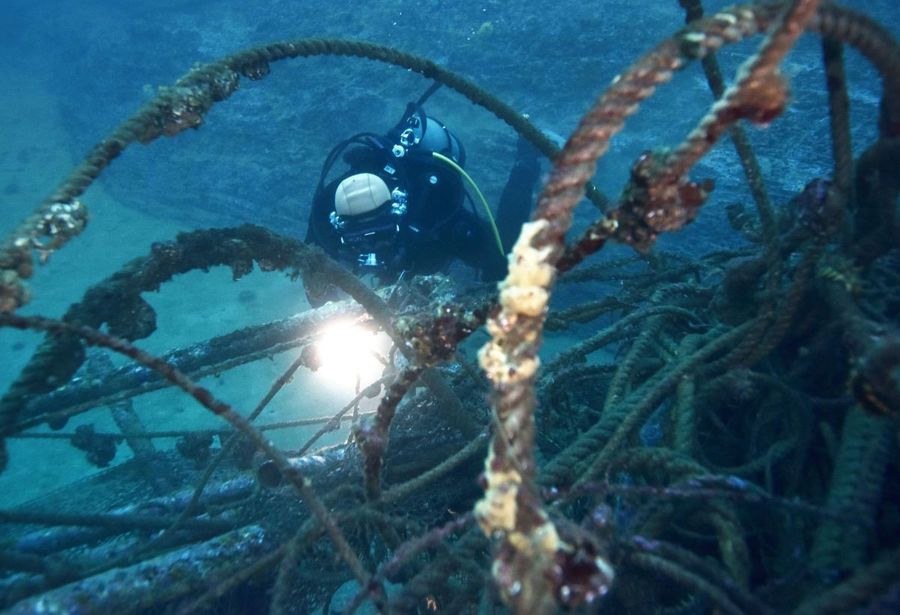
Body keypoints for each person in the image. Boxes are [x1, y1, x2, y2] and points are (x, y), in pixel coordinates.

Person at [304, 100, 541, 306]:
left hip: (425, 237)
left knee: (503, 259)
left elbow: (496, 262)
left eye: (381, 235)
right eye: (360, 240)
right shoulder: (325, 217)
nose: (374, 249)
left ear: (398, 212)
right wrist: (323, 294)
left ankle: (526, 158)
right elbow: (311, 275)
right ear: (339, 225)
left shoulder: (431, 208)